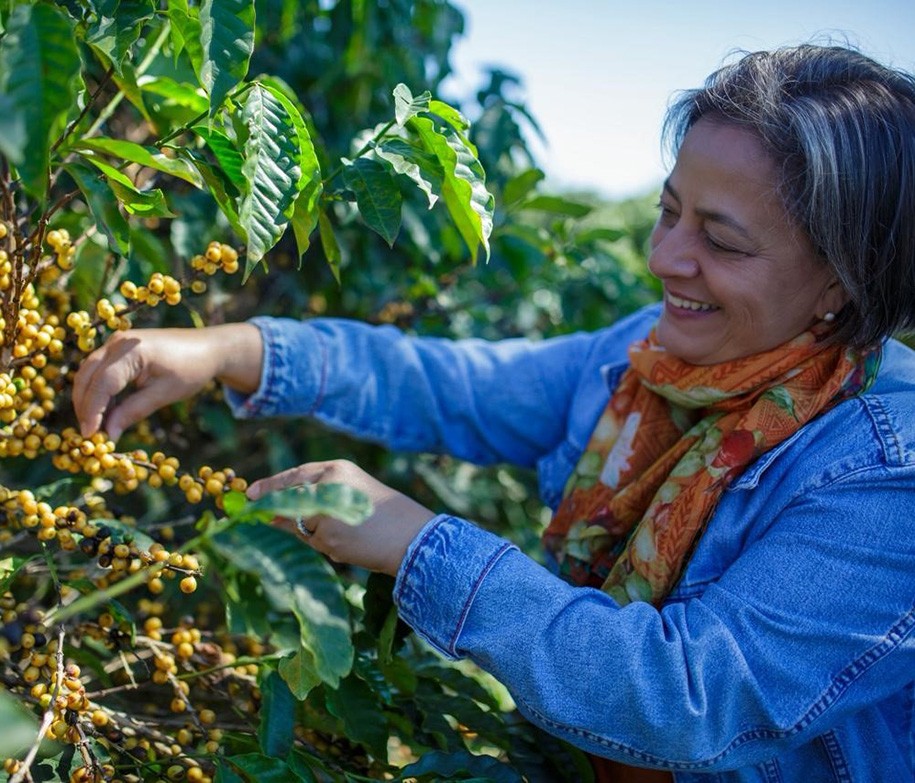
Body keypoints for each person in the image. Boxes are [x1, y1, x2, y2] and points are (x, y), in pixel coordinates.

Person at [72, 44, 915, 782]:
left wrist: (418, 544)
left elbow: (690, 698)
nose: (664, 258)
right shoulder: (648, 356)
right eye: (667, 211)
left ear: (842, 277)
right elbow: (457, 384)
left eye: (721, 242)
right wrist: (235, 348)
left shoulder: (884, 470)